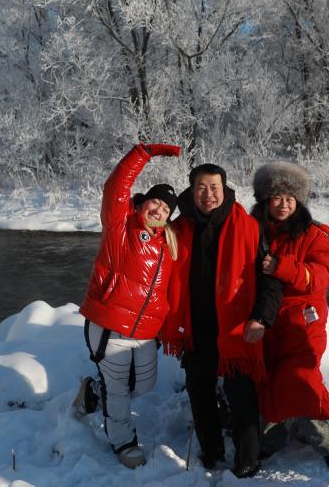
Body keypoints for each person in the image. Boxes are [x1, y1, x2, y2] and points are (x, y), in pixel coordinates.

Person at [161, 163, 282, 478]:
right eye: (201, 187)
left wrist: (261, 318)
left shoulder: (248, 227)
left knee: (241, 396)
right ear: (192, 190)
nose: (208, 194)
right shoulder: (178, 228)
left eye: (214, 187)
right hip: (194, 328)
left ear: (225, 189)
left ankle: (248, 459)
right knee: (199, 394)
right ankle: (211, 451)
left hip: (235, 329)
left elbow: (270, 280)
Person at [74, 142, 181, 469]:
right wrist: (144, 153)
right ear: (143, 202)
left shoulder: (168, 244)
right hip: (110, 324)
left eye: (166, 209)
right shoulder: (121, 226)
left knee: (143, 386)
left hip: (146, 332)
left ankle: (92, 392)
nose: (159, 210)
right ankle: (123, 441)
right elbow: (116, 186)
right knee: (118, 389)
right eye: (155, 202)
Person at [250, 161, 329, 476]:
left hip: (303, 320)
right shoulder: (253, 230)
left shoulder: (313, 234)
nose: (283, 204)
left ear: (299, 201)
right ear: (265, 200)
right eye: (277, 197)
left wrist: (283, 268)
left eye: (290, 198)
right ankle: (271, 439)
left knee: (301, 379)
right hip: (266, 319)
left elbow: (322, 276)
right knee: (268, 380)